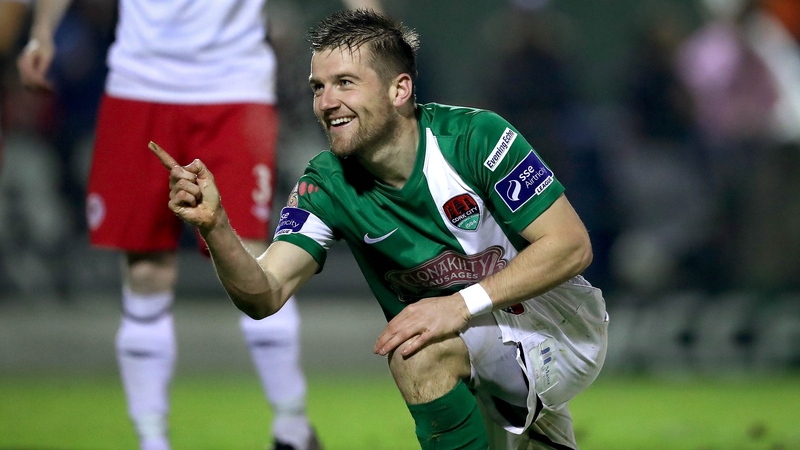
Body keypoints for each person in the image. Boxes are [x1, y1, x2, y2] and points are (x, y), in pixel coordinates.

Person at [153, 9, 608, 450]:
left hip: (556, 327)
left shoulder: (476, 137)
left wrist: (459, 304)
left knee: (418, 353)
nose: (327, 103)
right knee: (427, 351)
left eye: (345, 83)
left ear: (399, 90)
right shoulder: (326, 183)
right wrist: (216, 227)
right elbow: (264, 293)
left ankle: (524, 410)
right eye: (318, 87)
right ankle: (535, 425)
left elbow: (570, 245)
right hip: (470, 340)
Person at [16, 1, 380, 449]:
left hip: (234, 84)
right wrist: (42, 31)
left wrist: (379, 41)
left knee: (252, 261)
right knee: (147, 273)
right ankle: (153, 441)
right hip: (139, 83)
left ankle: (292, 427)